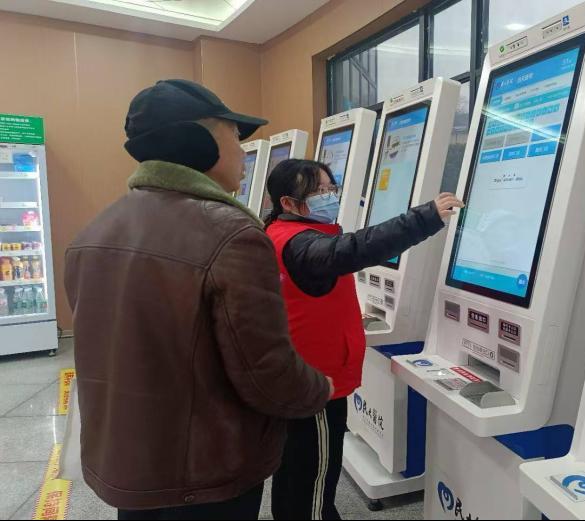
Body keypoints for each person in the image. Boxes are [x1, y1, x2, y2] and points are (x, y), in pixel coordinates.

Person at [64, 80, 333, 521]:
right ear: (196, 142)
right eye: (234, 136)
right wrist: (319, 389)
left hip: (132, 464)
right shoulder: (232, 235)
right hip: (205, 475)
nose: (243, 152)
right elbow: (265, 371)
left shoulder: (94, 232)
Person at [264, 159, 464, 520]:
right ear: (288, 203)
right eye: (319, 191)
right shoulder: (300, 243)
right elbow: (354, 249)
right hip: (316, 385)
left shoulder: (280, 233)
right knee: (313, 481)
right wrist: (425, 217)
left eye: (331, 188)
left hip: (302, 375)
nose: (329, 196)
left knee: (294, 473)